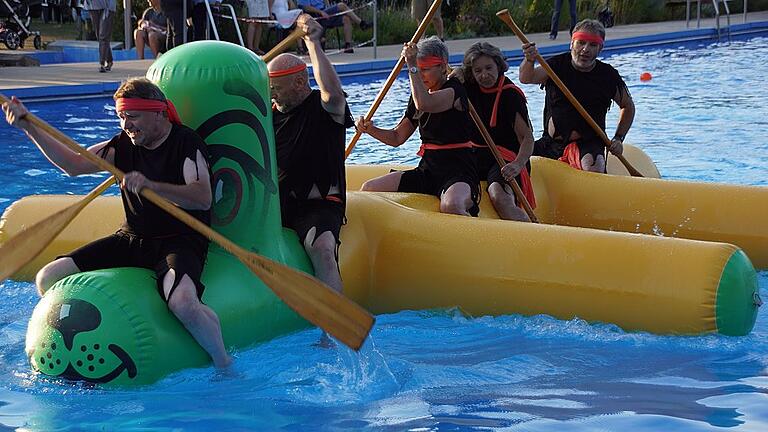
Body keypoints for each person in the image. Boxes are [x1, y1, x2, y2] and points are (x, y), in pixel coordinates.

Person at [1, 78, 232, 369]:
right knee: (47, 277)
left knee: (183, 303)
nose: (127, 125)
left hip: (180, 240)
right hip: (132, 238)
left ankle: (224, 363)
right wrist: (29, 127)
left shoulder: (185, 143)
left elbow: (202, 198)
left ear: (158, 113)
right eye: (122, 117)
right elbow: (73, 165)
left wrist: (152, 186)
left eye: (133, 116)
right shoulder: (122, 145)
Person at [268, 15, 354, 345]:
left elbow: (333, 91)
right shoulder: (268, 115)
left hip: (318, 205)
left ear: (300, 84)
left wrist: (313, 43)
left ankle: (333, 329)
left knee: (321, 246)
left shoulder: (324, 108)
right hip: (278, 204)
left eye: (277, 88)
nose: (272, 94)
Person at [356, 36, 480, 217]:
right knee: (369, 188)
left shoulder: (454, 90)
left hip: (458, 171)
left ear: (443, 66)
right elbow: (397, 138)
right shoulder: (418, 96)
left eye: (426, 70)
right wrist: (369, 130)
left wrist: (412, 64)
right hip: (428, 169)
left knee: (451, 206)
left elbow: (425, 103)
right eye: (418, 70)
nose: (420, 75)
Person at [519, 19, 635, 173]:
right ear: (571, 44)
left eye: (592, 45)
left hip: (589, 143)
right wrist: (529, 60)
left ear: (600, 48)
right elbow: (526, 78)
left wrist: (619, 138)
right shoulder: (556, 66)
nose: (585, 49)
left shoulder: (608, 76)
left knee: (593, 167)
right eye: (581, 43)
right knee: (517, 160)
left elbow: (628, 106)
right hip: (551, 143)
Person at [457, 41, 535, 222]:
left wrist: (518, 164)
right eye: (478, 71)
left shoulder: (511, 95)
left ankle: (531, 235)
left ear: (498, 65)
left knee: (497, 194)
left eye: (489, 68)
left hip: (507, 158)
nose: (484, 75)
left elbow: (527, 138)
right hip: (476, 155)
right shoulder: (467, 88)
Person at [296, 0, 370, 53]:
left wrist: (328, 9)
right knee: (342, 5)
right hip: (315, 16)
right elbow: (305, 8)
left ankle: (348, 46)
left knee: (346, 19)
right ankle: (362, 24)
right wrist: (321, 12)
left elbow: (325, 2)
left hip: (325, 13)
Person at [83, 0, 116, 72]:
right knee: (100, 36)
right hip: (93, 6)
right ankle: (109, 60)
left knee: (103, 35)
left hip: (108, 6)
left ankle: (102, 63)